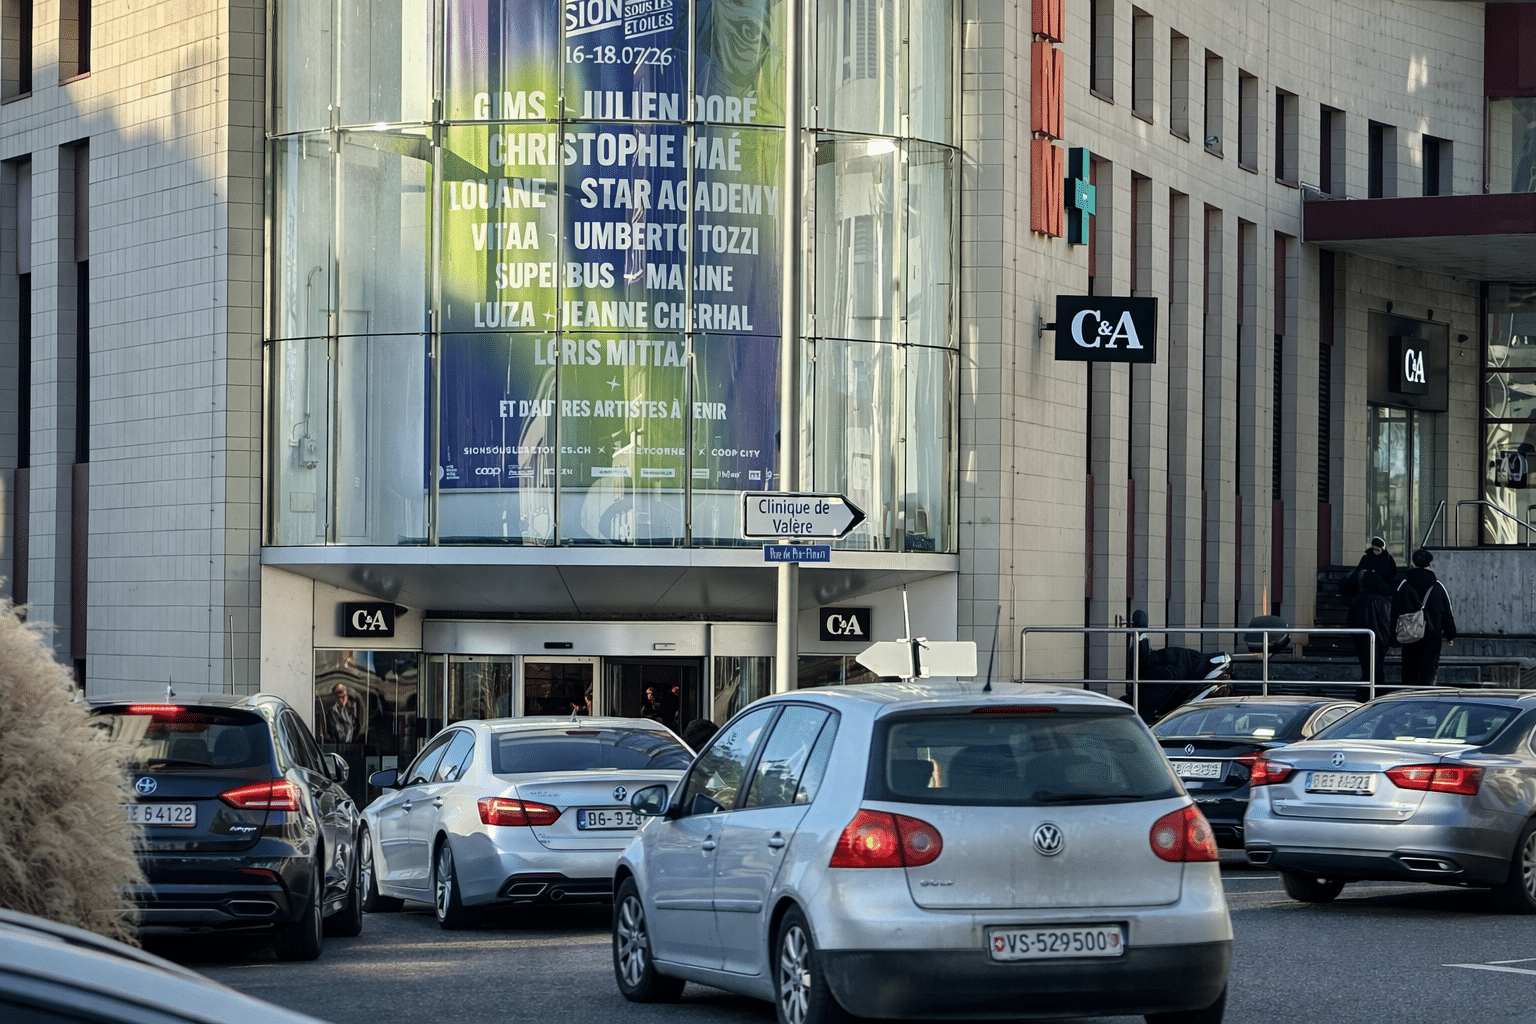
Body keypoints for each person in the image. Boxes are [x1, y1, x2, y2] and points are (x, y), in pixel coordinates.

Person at [1393, 548, 1456, 688]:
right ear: (1430, 564)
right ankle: (1425, 699)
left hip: (1410, 632)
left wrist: (1393, 636)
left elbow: (1395, 610)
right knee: (1428, 670)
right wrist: (1450, 634)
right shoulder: (1437, 586)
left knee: (1409, 671)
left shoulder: (1404, 585)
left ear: (1412, 563)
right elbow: (1446, 611)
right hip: (1432, 634)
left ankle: (1410, 699)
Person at [1347, 569, 1394, 696]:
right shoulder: (1383, 601)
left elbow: (1351, 621)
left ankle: (1366, 691)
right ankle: (1376, 691)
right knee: (1377, 666)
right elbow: (1386, 622)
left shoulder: (1356, 600)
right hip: (1380, 639)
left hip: (1361, 639)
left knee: (1367, 667)